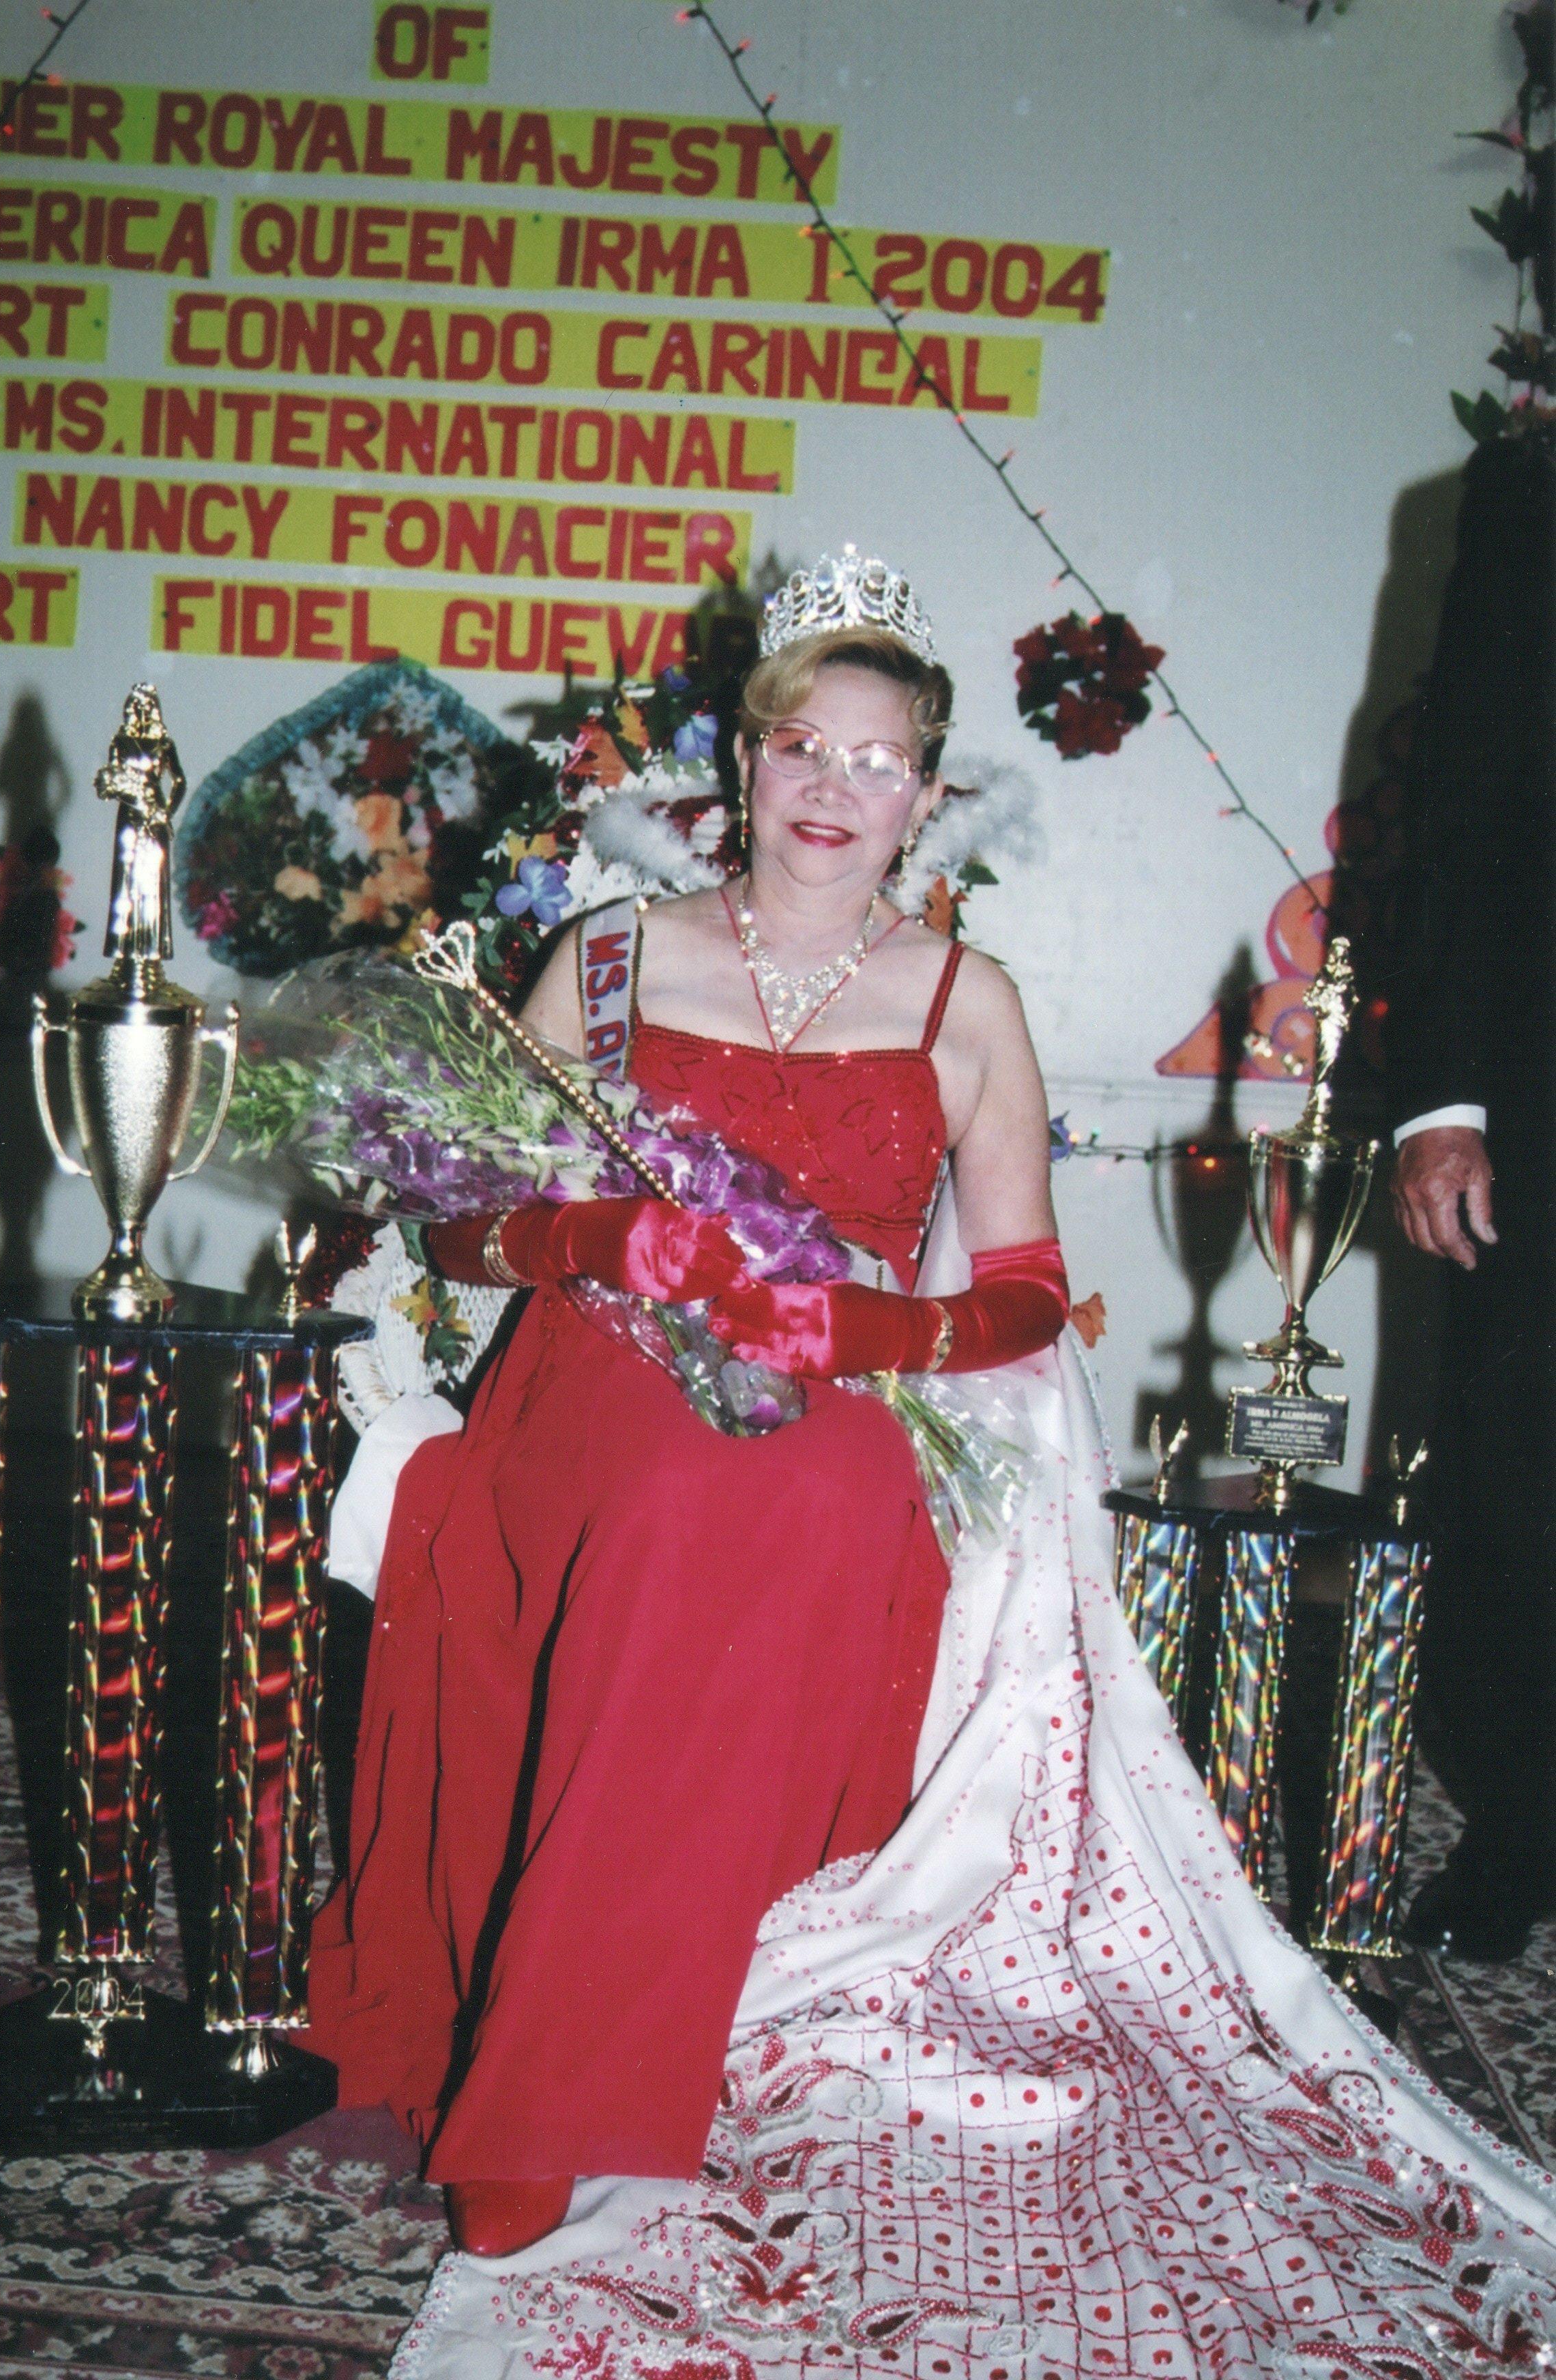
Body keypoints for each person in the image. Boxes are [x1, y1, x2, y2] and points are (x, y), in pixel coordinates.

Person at [309, 555, 1556, 2374]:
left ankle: (625, 2057)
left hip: (831, 1396)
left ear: (929, 791)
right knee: (671, 1494)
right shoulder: (609, 958)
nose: (835, 788)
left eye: (881, 760)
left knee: (801, 1490)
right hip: (591, 1383)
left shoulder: (964, 994)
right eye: (803, 746)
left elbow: (1031, 1291)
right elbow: (476, 1230)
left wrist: (862, 1336)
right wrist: (594, 1251)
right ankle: (555, 2088)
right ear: (740, 768)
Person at [1386, 433, 1555, 1963]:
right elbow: (1454, 809)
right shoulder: (1524, 499)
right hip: (1546, 1086)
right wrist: (1442, 1098)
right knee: (1523, 1477)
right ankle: (1521, 1824)